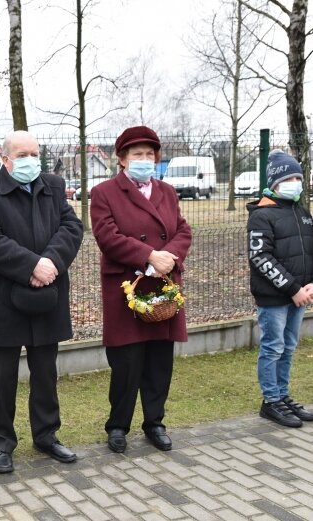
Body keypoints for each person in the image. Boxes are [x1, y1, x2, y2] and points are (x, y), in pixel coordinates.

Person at [0, 130, 84, 474]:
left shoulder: (53, 185)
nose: (31, 160)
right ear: (4, 160)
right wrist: (31, 265)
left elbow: (72, 226)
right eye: (22, 155)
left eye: (35, 153)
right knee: (1, 378)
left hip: (47, 295)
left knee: (46, 374)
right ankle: (2, 444)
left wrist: (50, 262)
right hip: (5, 300)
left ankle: (46, 436)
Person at [90, 126, 192, 454]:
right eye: (137, 155)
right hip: (127, 289)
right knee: (126, 363)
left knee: (159, 362)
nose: (144, 160)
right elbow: (107, 236)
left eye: (150, 155)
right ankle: (118, 426)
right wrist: (148, 255)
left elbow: (183, 229)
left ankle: (155, 423)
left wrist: (168, 258)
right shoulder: (104, 192)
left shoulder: (167, 191)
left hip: (163, 286)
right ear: (122, 159)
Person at [247, 150, 313, 428]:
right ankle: (271, 400)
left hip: (300, 295)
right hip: (275, 297)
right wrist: (294, 288)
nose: (295, 182)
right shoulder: (262, 216)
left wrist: (309, 285)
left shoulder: (301, 210)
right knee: (273, 347)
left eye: (298, 177)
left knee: (289, 347)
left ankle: (283, 395)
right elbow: (260, 257)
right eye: (289, 178)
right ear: (274, 183)